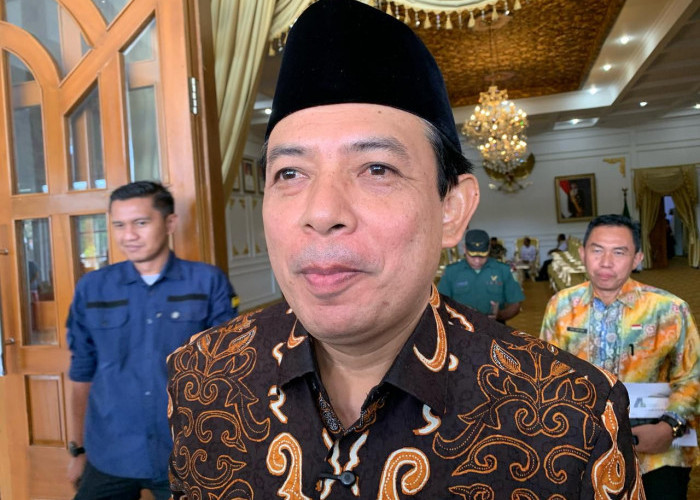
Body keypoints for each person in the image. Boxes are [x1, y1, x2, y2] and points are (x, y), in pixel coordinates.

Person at [167, 1, 643, 497]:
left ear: (452, 210)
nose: (322, 212)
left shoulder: (572, 413)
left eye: (377, 169)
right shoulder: (201, 377)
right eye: (290, 173)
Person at [66, 181, 237, 499]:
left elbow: (229, 369)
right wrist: (78, 449)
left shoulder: (207, 282)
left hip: (186, 450)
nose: (128, 235)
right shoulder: (92, 288)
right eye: (119, 225)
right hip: (110, 451)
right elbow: (81, 370)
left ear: (170, 223)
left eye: (141, 223)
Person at [540, 214, 699, 499]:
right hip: (584, 448)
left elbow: (692, 376)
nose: (606, 262)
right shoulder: (561, 307)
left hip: (657, 448)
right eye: (597, 250)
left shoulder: (669, 310)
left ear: (637, 258)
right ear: (582, 253)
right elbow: (546, 374)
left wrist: (670, 426)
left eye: (619, 252)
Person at [439, 229, 524, 324]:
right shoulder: (451, 272)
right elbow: (439, 305)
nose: (477, 261)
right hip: (459, 329)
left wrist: (499, 315)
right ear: (464, 249)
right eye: (472, 256)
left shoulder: (503, 270)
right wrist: (458, 315)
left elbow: (516, 304)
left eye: (482, 256)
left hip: (495, 328)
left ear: (489, 249)